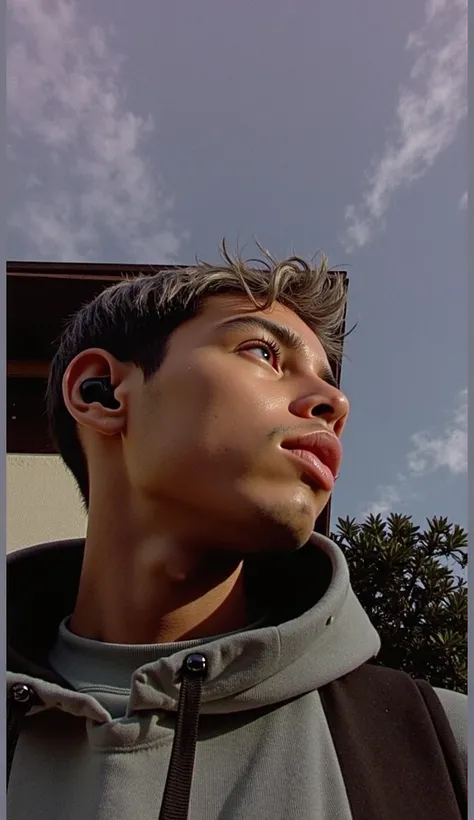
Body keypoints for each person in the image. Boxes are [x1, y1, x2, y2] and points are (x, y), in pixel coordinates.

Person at [7, 246, 467, 820]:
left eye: (330, 384)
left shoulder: (443, 748)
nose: (336, 403)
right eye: (263, 351)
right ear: (101, 391)